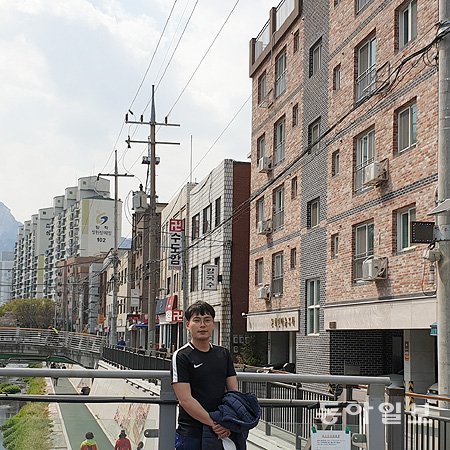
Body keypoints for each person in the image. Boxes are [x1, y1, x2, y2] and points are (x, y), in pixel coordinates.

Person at [171, 301, 238, 449]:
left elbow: (233, 393)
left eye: (207, 320)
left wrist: (226, 422)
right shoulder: (182, 356)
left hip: (221, 431)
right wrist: (213, 423)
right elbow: (185, 399)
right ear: (188, 325)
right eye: (197, 320)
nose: (202, 325)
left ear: (213, 325)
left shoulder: (223, 354)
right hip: (191, 433)